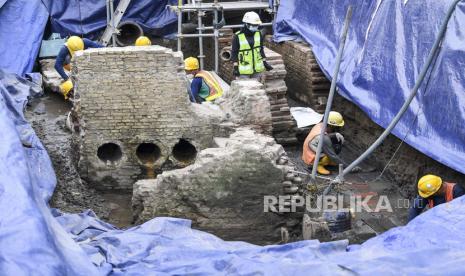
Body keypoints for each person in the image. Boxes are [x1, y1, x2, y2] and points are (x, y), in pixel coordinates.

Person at [231, 11, 273, 79]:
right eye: (254, 25)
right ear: (247, 24)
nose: (256, 27)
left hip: (257, 69)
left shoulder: (258, 34)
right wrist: (235, 67)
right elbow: (234, 53)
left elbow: (261, 49)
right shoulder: (238, 36)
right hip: (244, 71)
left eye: (257, 25)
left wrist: (264, 62)